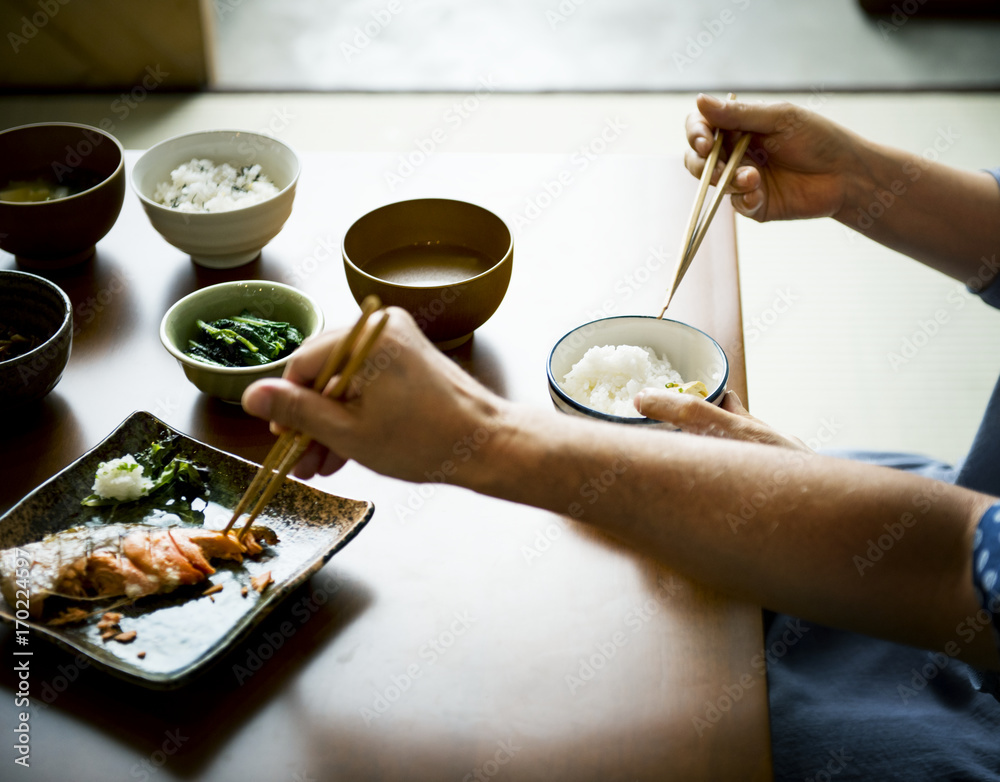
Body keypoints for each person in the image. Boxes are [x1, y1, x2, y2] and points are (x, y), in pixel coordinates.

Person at [242, 95, 1000, 780]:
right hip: (961, 500)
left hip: (966, 674)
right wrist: (856, 177)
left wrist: (481, 435)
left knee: (673, 717)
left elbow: (950, 569)